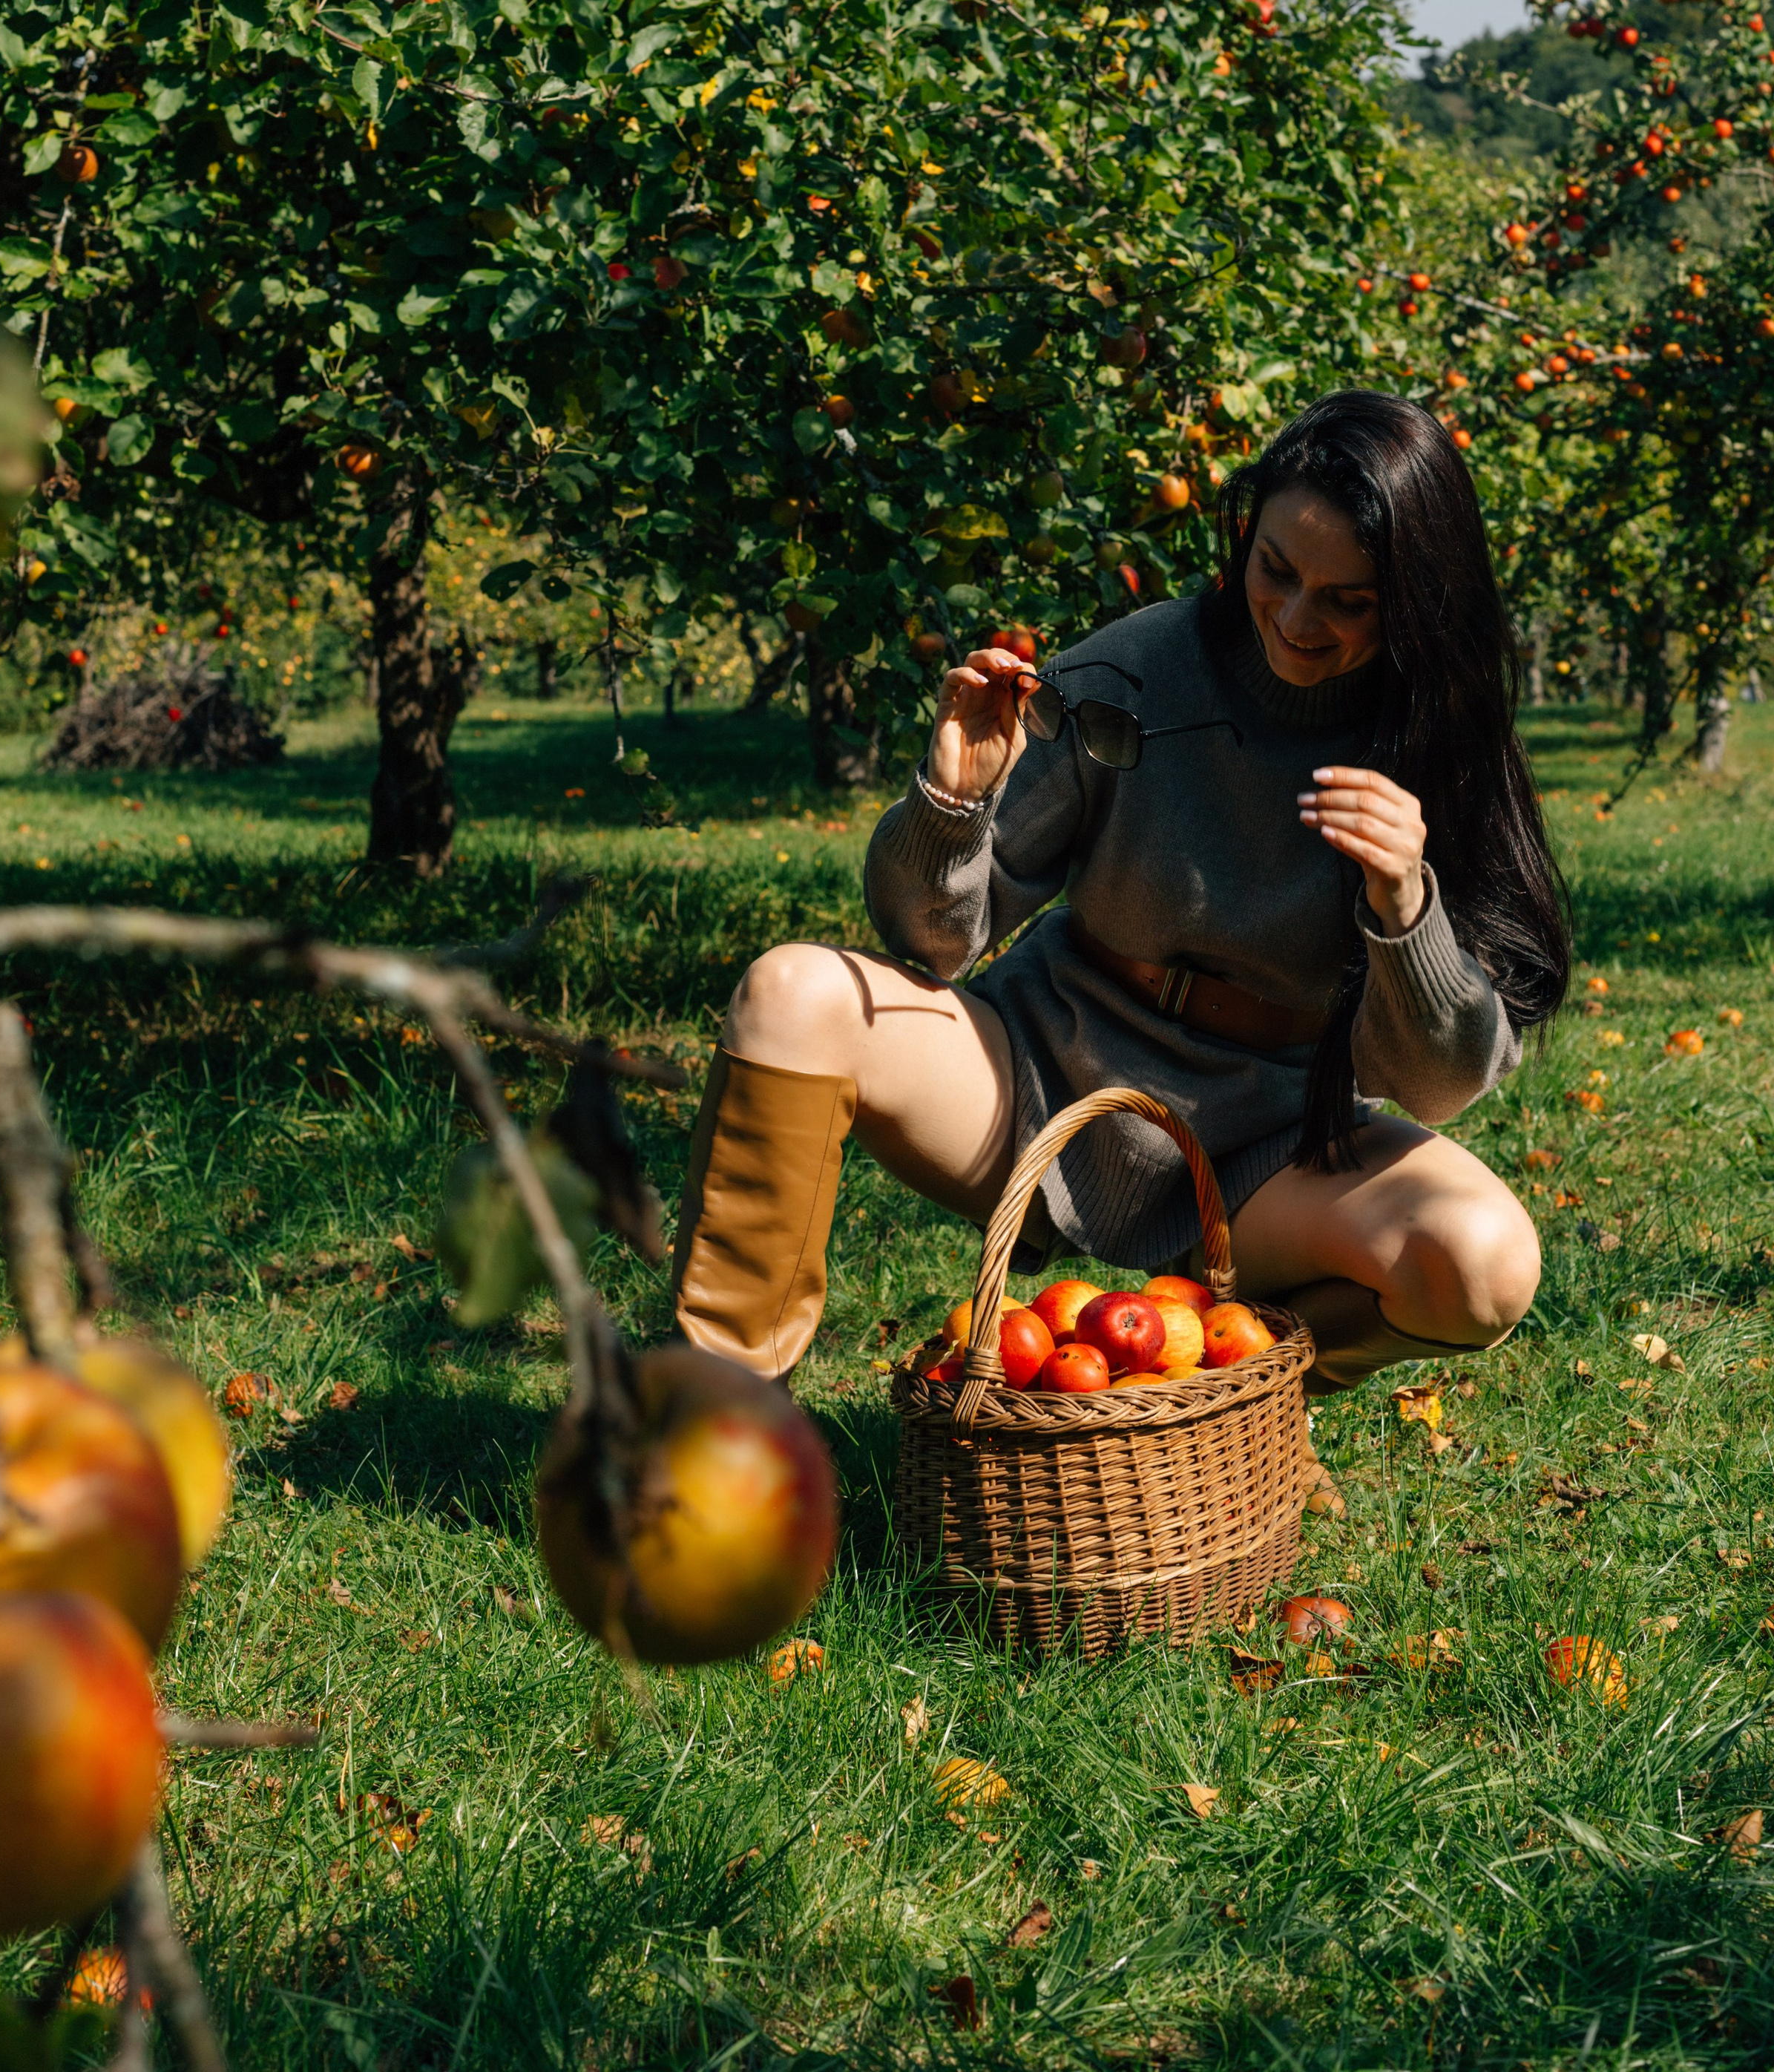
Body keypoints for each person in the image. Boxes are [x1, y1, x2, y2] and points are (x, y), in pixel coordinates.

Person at [670, 390, 1568, 1394]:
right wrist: (951, 803)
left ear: (1412, 598)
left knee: (1481, 1261)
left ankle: (1222, 1408)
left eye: (1349, 600)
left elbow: (1440, 1086)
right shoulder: (1137, 670)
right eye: (1275, 570)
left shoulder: (1441, 748)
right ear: (1246, 536)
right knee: (791, 995)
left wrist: (1405, 904)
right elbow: (932, 943)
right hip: (1040, 1082)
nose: (1297, 618)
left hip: (1271, 1145)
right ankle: (717, 1419)